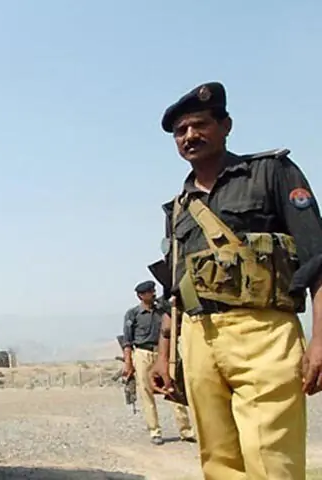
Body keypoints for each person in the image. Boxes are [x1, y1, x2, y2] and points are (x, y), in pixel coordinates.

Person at [148, 81, 322, 480]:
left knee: (271, 460)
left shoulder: (271, 173)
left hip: (263, 333)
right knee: (219, 462)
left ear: (225, 126)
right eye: (181, 131)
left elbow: (318, 259)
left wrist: (320, 339)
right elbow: (175, 290)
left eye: (199, 124)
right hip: (199, 338)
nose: (190, 135)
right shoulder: (179, 207)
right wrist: (163, 354)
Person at [121, 280, 195, 445]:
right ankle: (155, 431)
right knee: (146, 393)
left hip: (165, 352)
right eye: (149, 292)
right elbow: (127, 340)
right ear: (141, 296)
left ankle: (186, 430)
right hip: (143, 353)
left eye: (153, 290)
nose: (153, 294)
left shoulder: (164, 310)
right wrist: (128, 363)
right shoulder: (133, 314)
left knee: (173, 389)